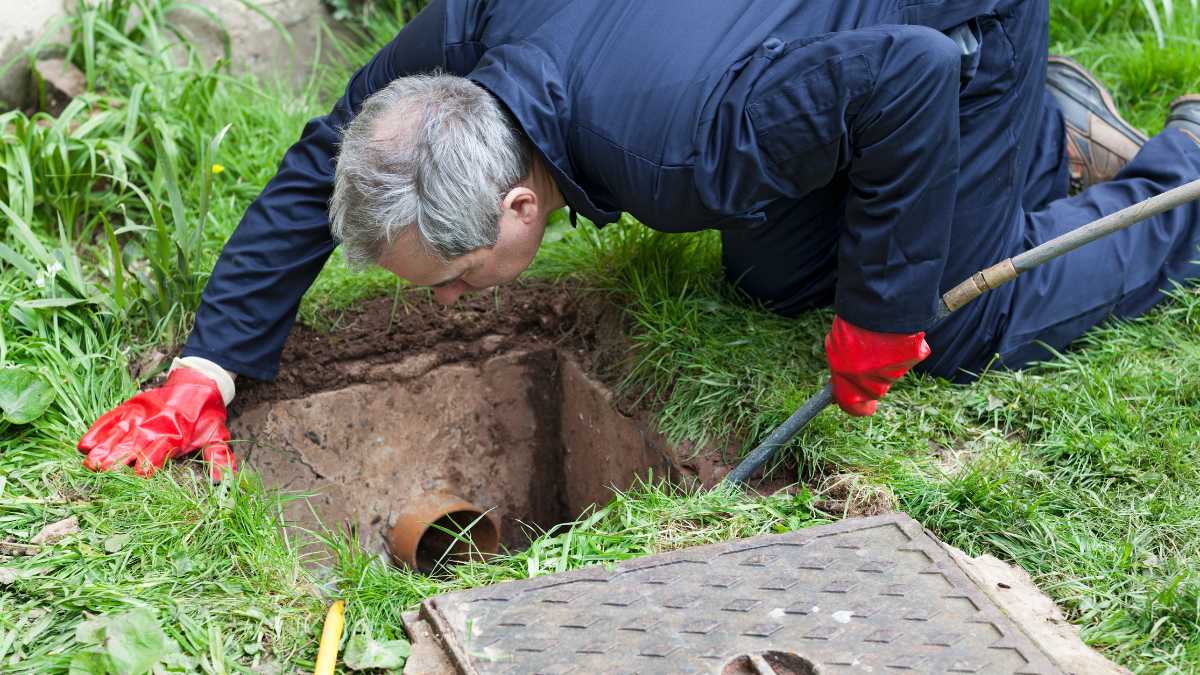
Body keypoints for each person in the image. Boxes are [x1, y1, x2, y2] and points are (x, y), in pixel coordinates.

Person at [77, 0, 1200, 481]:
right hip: (816, 39)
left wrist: (886, 314)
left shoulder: (680, 154)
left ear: (522, 209)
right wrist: (206, 366)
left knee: (953, 326)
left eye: (457, 281)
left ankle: (1177, 170)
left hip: (950, 30)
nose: (451, 304)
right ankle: (1036, 135)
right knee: (772, 274)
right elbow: (333, 145)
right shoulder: (468, 36)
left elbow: (904, 76)